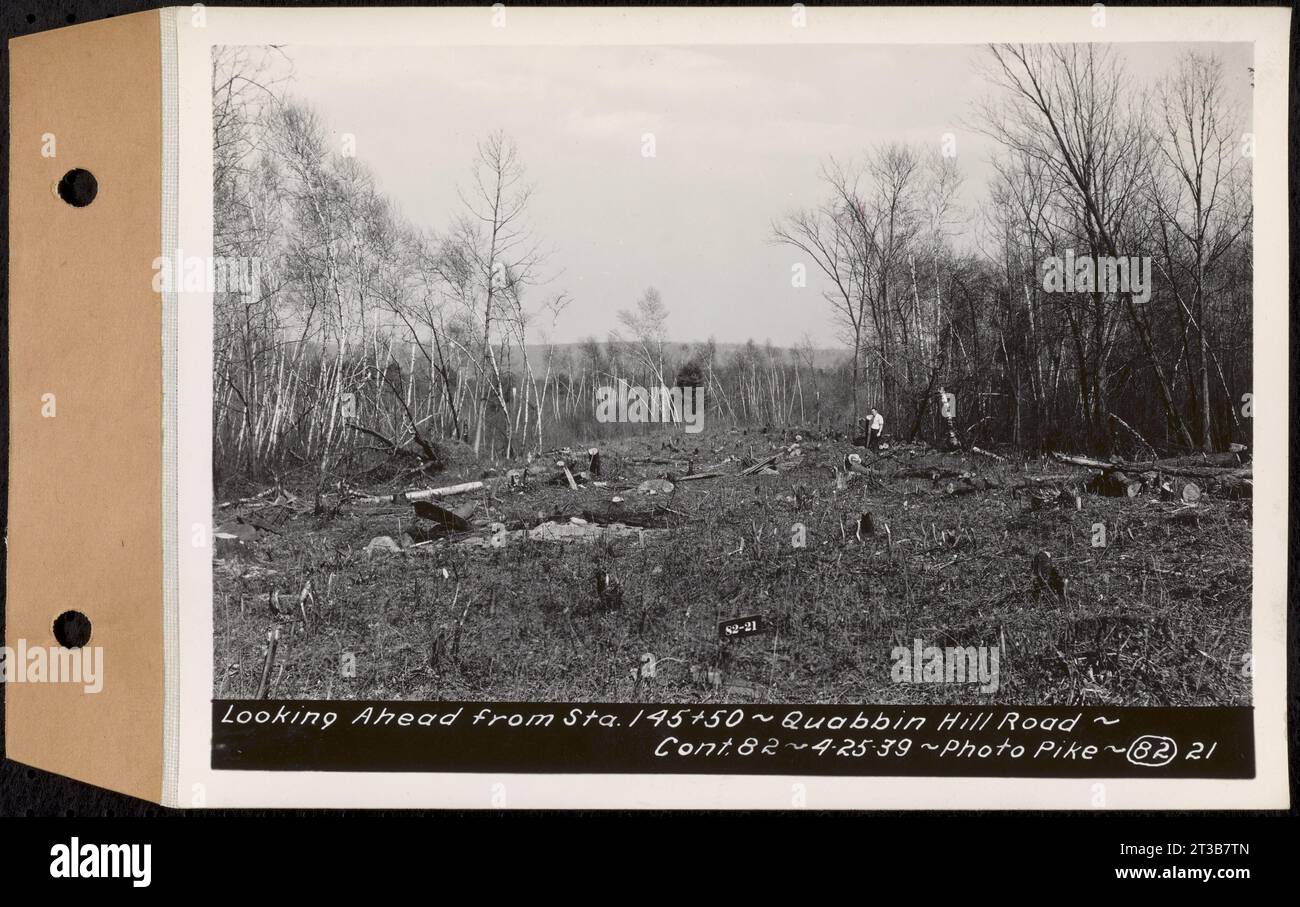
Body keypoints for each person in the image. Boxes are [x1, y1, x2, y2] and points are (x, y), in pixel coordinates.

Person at [936, 386, 960, 450]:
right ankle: (951, 445)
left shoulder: (944, 400)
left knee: (950, 430)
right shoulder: (943, 400)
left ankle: (954, 445)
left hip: (948, 417)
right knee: (948, 430)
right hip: (947, 417)